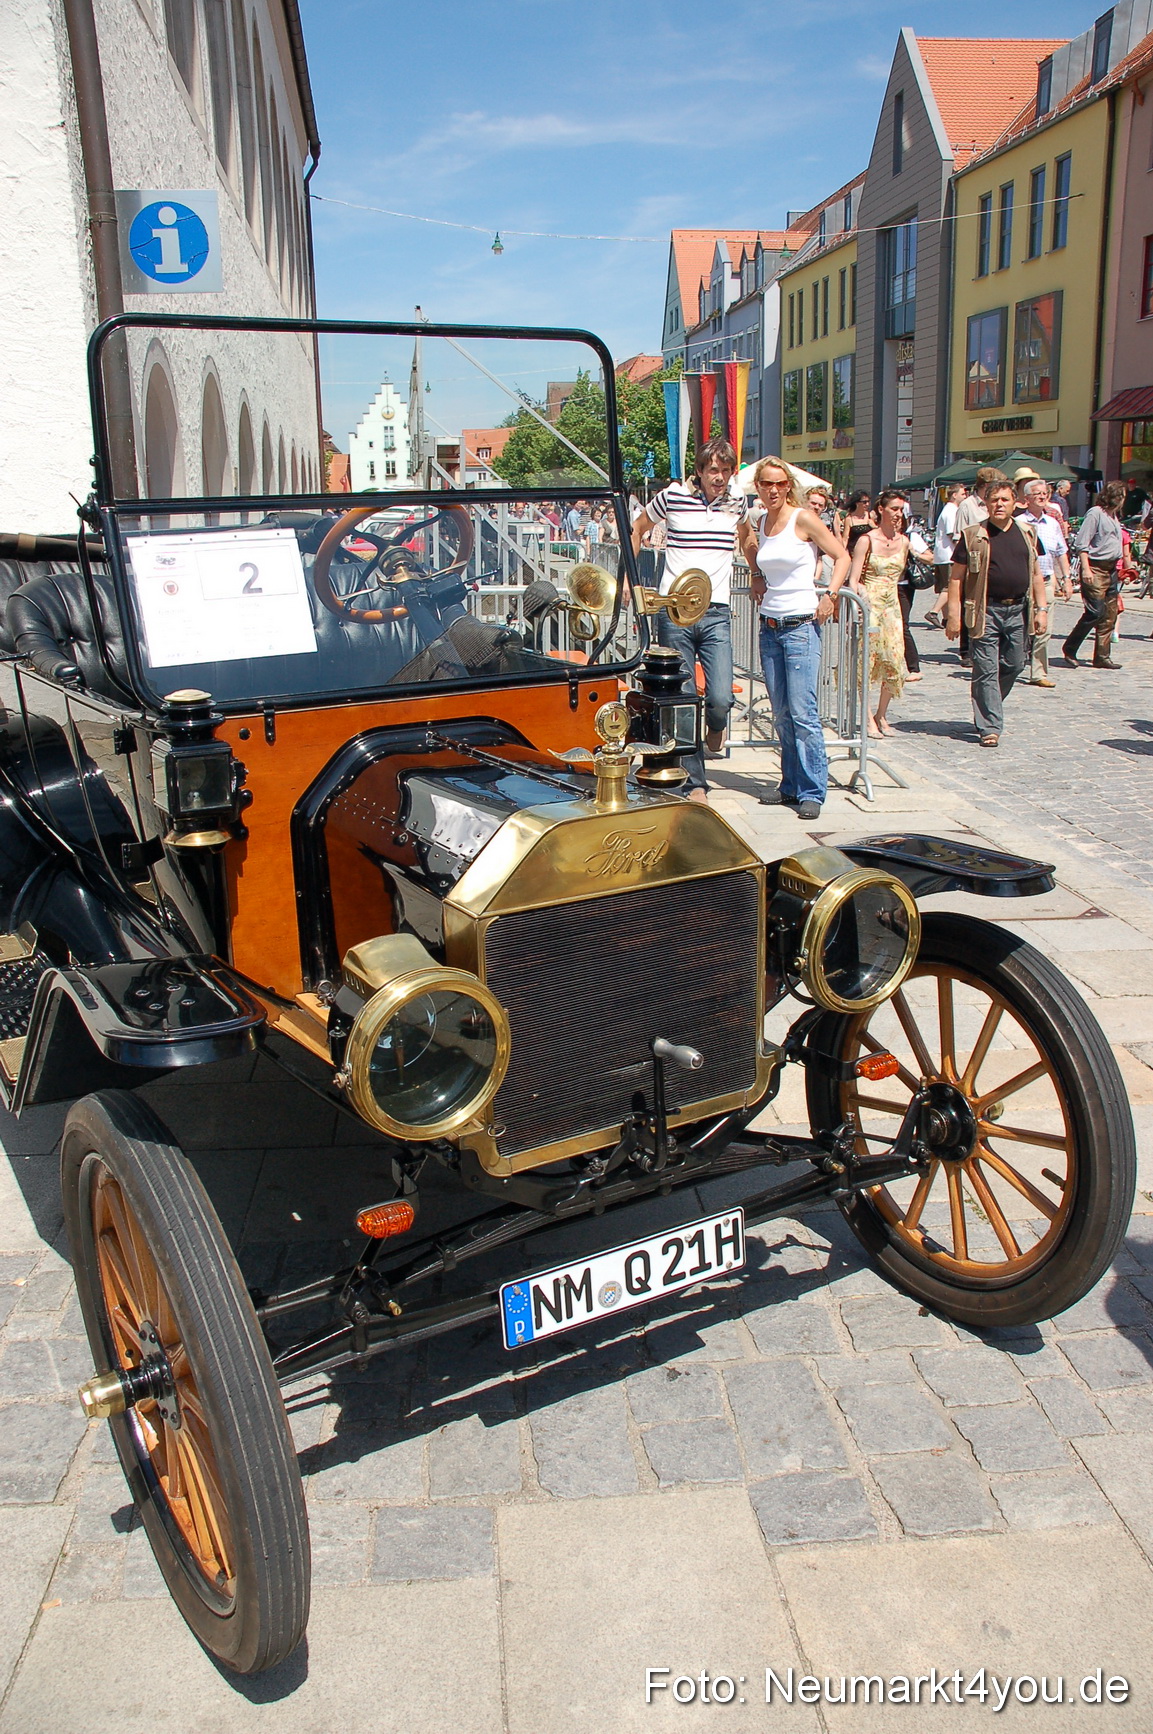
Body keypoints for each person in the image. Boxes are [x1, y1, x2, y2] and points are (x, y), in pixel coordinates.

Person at [631, 437, 749, 802]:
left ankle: (717, 725)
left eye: (726, 470)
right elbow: (637, 528)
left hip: (715, 612)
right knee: (682, 699)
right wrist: (628, 576)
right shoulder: (673, 496)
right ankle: (695, 782)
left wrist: (757, 572)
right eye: (713, 469)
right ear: (699, 471)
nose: (720, 477)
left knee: (719, 696)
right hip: (675, 611)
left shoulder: (737, 502)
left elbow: (748, 538)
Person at [737, 457, 850, 820]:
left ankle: (813, 789)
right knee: (782, 713)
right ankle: (789, 784)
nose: (773, 490)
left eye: (780, 484)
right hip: (769, 625)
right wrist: (755, 573)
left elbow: (841, 556)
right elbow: (750, 545)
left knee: (804, 713)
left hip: (801, 624)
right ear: (758, 486)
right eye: (766, 484)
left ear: (789, 486)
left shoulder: (803, 518)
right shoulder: (762, 521)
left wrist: (830, 594)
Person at [947, 480, 1048, 746]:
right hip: (985, 610)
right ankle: (990, 726)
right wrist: (954, 615)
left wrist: (1042, 609)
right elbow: (956, 578)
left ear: (1015, 503)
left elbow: (1036, 573)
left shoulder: (1027, 533)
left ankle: (987, 700)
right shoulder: (974, 535)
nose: (999, 505)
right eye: (994, 500)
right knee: (986, 668)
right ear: (986, 504)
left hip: (1018, 610)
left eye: (1004, 500)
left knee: (1015, 664)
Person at [849, 490, 913, 736]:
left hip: (892, 606)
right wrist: (859, 606)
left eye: (900, 509)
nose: (898, 514)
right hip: (870, 604)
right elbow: (854, 579)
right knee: (866, 661)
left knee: (894, 660)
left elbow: (899, 576)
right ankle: (867, 718)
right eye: (893, 509)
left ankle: (882, 713)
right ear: (881, 510)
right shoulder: (867, 540)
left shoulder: (904, 542)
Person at [1063, 479, 1126, 669]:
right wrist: (1086, 568)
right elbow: (1082, 543)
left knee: (1109, 614)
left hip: (1111, 568)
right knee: (1094, 612)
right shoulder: (1096, 513)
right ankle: (1070, 647)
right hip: (1096, 567)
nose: (1121, 500)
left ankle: (1102, 655)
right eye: (1119, 495)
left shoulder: (1114, 516)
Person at [1020, 479, 1071, 686]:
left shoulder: (1052, 524)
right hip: (1023, 582)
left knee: (1044, 628)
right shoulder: (1019, 523)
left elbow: (1061, 552)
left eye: (1045, 494)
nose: (1042, 497)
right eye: (1037, 494)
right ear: (1026, 499)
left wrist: (1066, 579)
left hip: (1047, 580)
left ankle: (1038, 672)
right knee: (1021, 626)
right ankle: (1010, 664)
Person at [926, 483, 967, 627]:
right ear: (954, 495)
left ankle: (945, 618)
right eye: (963, 494)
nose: (965, 496)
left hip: (941, 554)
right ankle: (933, 612)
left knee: (944, 587)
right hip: (949, 554)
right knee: (950, 587)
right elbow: (953, 534)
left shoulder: (947, 510)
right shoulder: (951, 511)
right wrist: (961, 553)